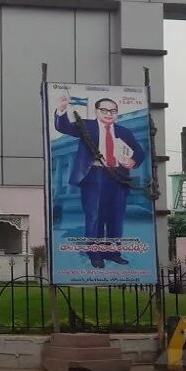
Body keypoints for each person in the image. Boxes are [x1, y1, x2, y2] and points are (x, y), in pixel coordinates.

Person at [53, 92, 146, 268]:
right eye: (104, 110)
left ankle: (113, 253)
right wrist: (61, 110)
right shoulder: (86, 126)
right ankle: (95, 255)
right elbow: (63, 127)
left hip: (118, 176)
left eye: (113, 110)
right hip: (94, 175)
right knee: (94, 215)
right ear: (96, 112)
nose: (109, 113)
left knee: (116, 217)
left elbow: (140, 152)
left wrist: (133, 161)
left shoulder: (124, 131)